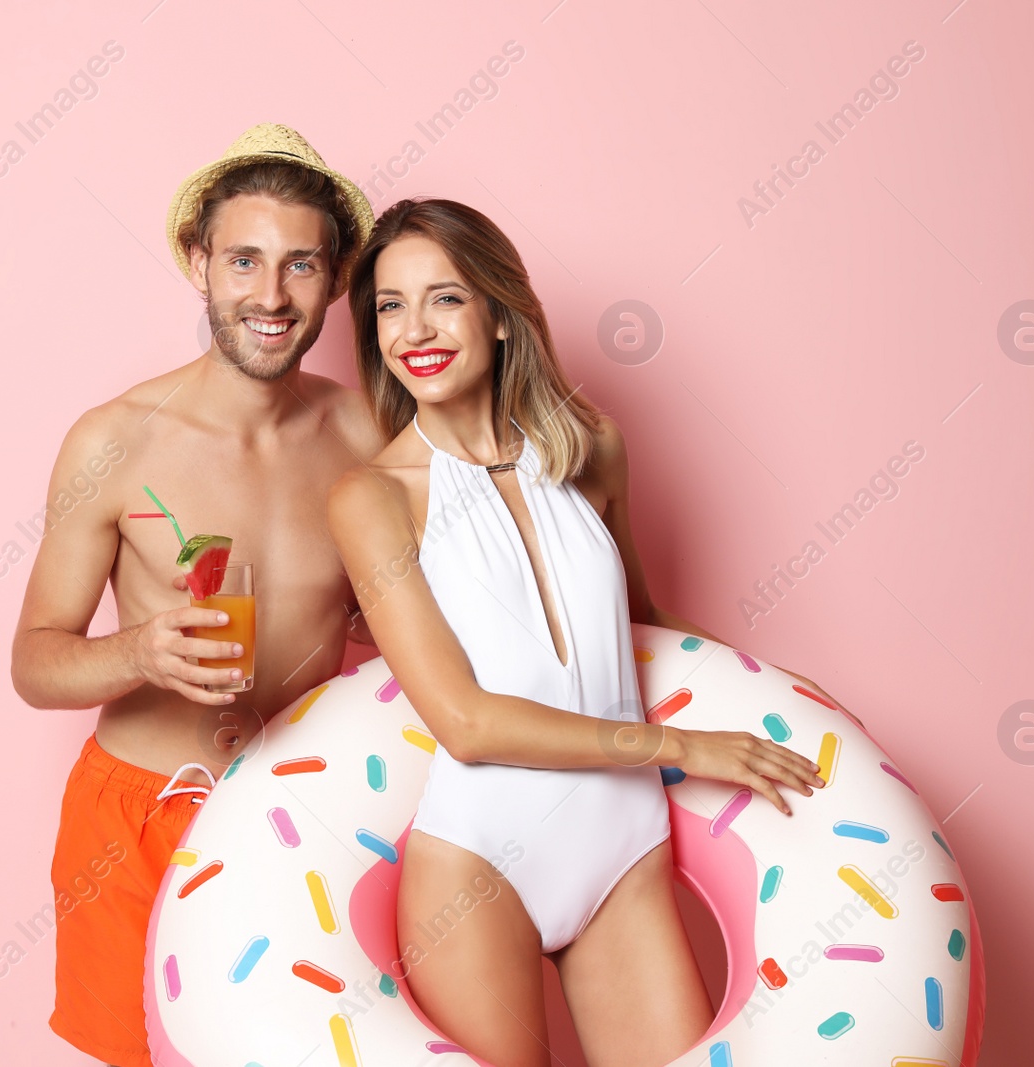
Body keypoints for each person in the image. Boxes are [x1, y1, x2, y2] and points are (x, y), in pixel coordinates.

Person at [326, 198, 836, 1066]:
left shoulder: (592, 446)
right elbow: (467, 721)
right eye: (388, 305)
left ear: (497, 308)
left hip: (622, 851)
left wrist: (793, 697)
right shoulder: (372, 498)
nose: (415, 328)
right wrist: (682, 744)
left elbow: (642, 621)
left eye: (445, 297)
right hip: (477, 859)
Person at [9, 123, 383, 1067]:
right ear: (198, 263)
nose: (270, 294)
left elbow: (406, 609)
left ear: (336, 281)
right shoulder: (115, 442)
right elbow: (35, 660)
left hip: (306, 814)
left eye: (301, 264)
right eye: (245, 259)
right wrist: (139, 652)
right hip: (139, 818)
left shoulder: (364, 433)